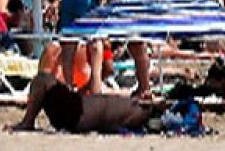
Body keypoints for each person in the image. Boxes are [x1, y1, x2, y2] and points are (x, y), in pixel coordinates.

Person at [14, 45, 167, 134]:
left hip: (78, 109)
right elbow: (107, 71)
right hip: (81, 107)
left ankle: (28, 121)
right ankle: (28, 121)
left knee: (42, 79)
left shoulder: (58, 48)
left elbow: (45, 78)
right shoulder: (96, 45)